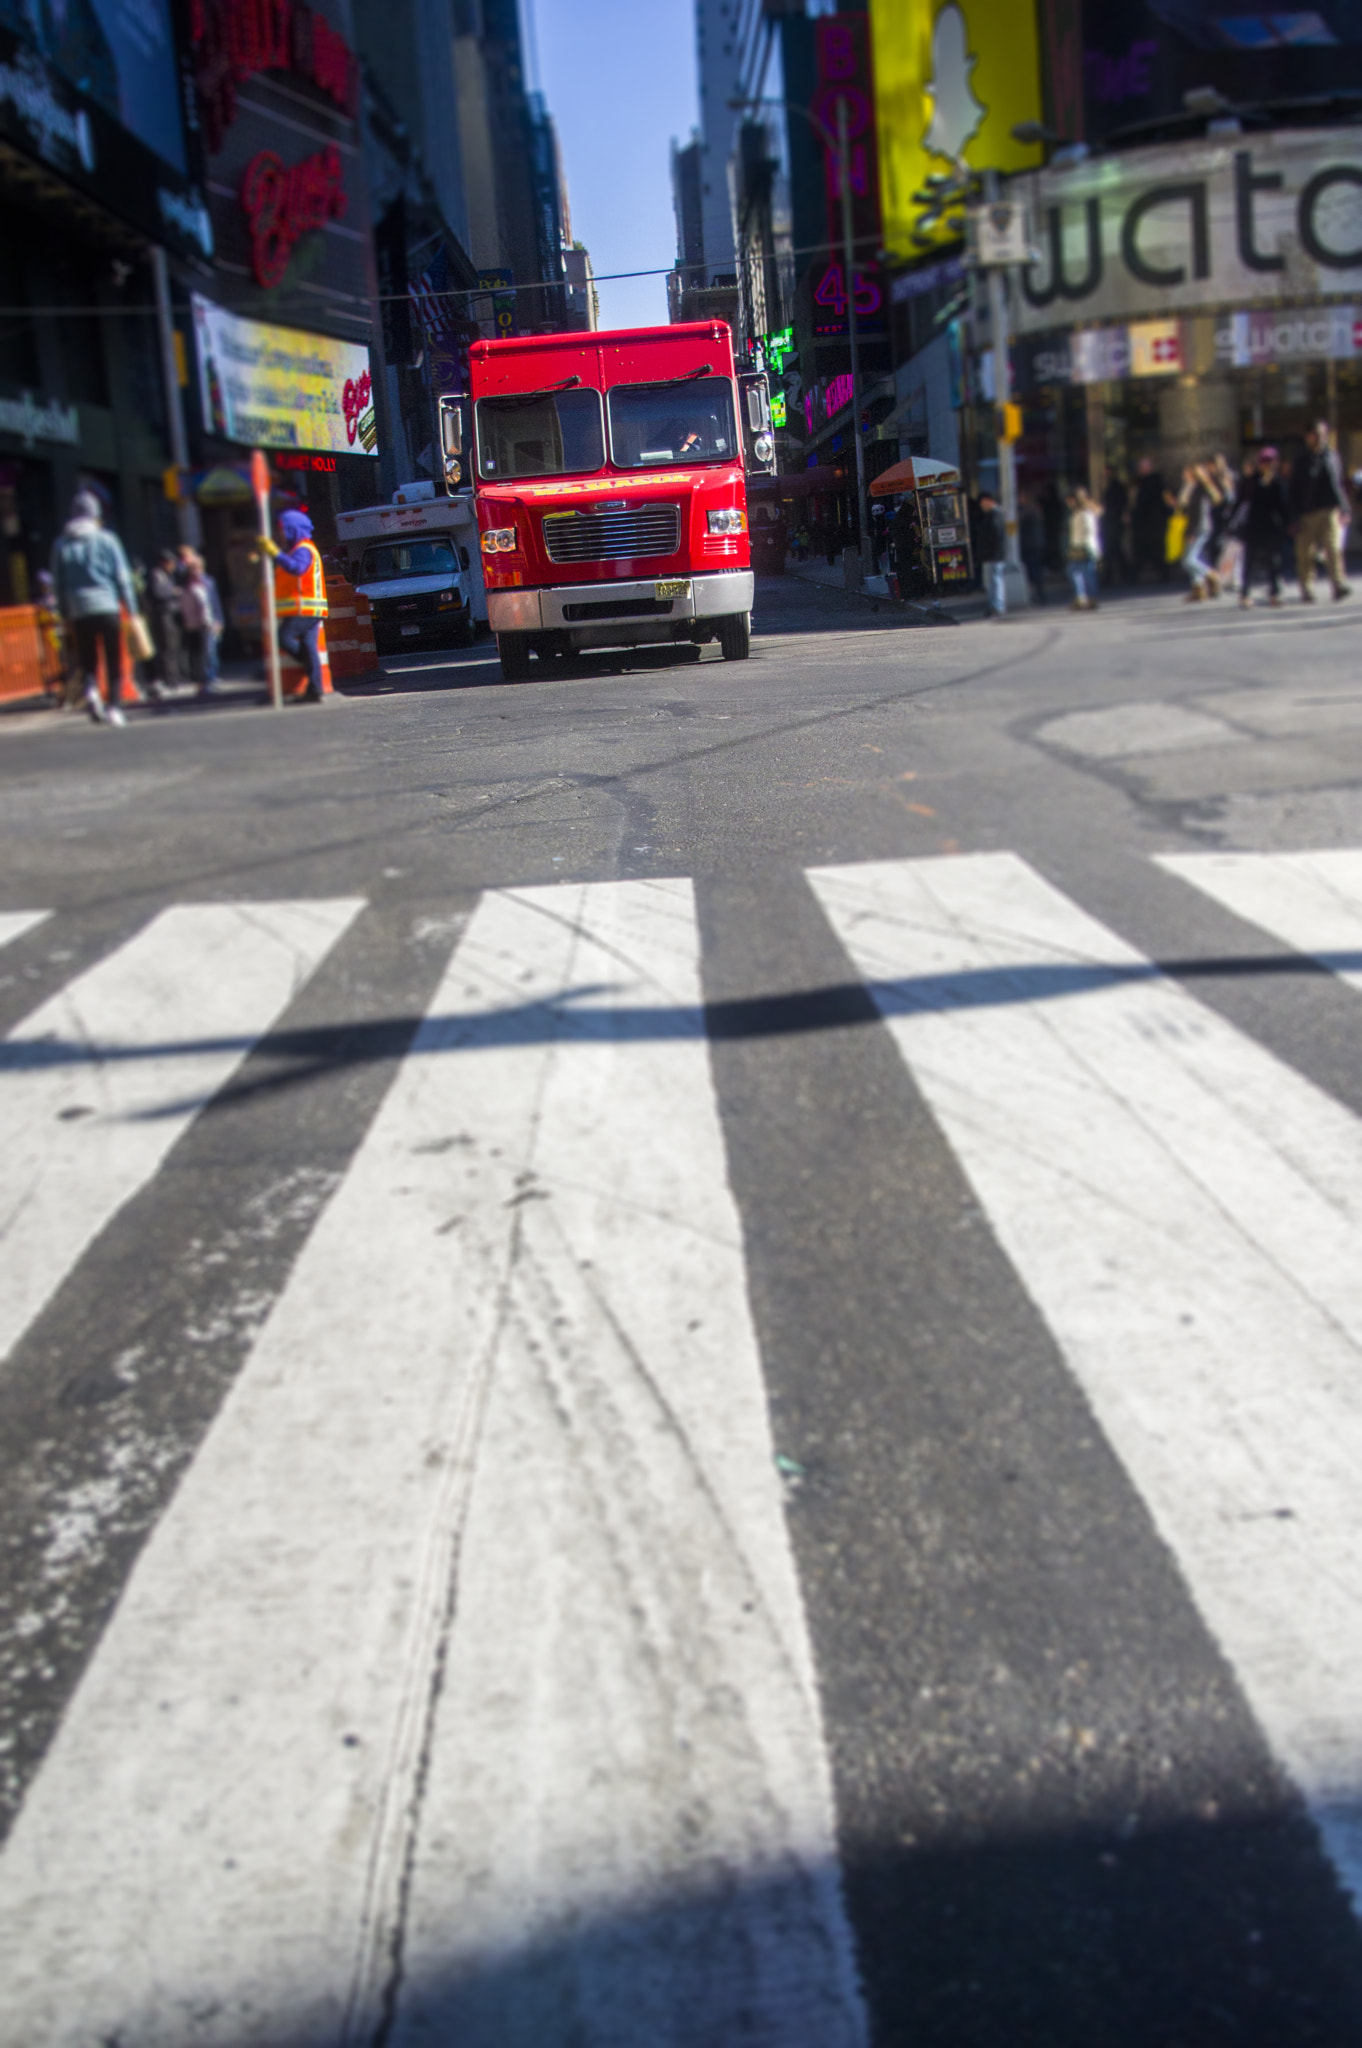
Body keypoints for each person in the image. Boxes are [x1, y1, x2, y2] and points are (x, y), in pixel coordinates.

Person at [49, 490, 140, 727]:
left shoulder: (61, 543)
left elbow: (57, 583)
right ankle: (115, 708)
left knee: (87, 657)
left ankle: (91, 690)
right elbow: (123, 577)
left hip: (78, 609)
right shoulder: (107, 539)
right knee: (113, 658)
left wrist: (63, 612)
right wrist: (132, 608)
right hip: (107, 605)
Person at [259, 509, 329, 701]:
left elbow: (297, 569)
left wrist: (274, 552)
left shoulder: (304, 549)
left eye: (284, 529)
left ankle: (310, 671)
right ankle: (315, 690)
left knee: (284, 637)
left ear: (293, 529)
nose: (281, 533)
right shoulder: (300, 549)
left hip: (306, 609)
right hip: (307, 609)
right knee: (308, 646)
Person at [1288, 420, 1351, 602]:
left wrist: (1344, 508)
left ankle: (1338, 585)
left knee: (1333, 548)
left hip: (1329, 510)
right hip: (1306, 513)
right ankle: (1306, 589)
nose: (1321, 438)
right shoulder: (1300, 459)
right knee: (1306, 553)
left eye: (1323, 434)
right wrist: (1294, 517)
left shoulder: (1331, 455)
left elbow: (1338, 484)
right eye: (1317, 434)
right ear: (1308, 436)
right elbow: (1293, 490)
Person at [1238, 447, 1289, 609]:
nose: (1269, 465)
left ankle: (1274, 593)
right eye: (1266, 462)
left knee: (1273, 561)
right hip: (1253, 527)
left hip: (1272, 528)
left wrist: (1289, 524)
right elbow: (1242, 502)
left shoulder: (1278, 482)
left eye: (1272, 462)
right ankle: (1245, 593)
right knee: (1249, 561)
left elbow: (1282, 505)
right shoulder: (1251, 481)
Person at [178, 549, 225, 696]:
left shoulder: (208, 582)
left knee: (210, 653)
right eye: (192, 568)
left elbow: (214, 602)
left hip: (208, 623)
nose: (195, 571)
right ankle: (203, 681)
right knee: (200, 655)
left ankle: (210, 678)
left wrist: (219, 620)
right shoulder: (187, 584)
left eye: (197, 567)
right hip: (194, 625)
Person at [1131, 457, 1169, 583]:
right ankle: (1137, 574)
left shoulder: (1153, 482)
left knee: (1155, 549)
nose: (1140, 470)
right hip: (1146, 523)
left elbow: (1144, 502)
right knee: (1145, 550)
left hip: (1152, 523)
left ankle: (1163, 573)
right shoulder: (1141, 482)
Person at [1065, 486, 1101, 609]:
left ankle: (1086, 598)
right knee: (1082, 573)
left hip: (1083, 547)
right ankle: (1086, 598)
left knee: (1080, 573)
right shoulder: (1081, 513)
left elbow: (1088, 531)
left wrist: (1082, 545)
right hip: (1081, 546)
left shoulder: (1084, 513)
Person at [1018, 492, 1047, 605]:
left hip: (1032, 544)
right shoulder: (1033, 510)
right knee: (1034, 570)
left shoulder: (1030, 511)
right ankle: (1039, 593)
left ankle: (1039, 594)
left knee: (1034, 570)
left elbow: (1023, 524)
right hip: (1034, 544)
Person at [1101, 470, 1129, 585]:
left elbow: (1120, 503)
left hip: (1114, 520)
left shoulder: (1115, 487)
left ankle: (1113, 575)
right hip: (1112, 520)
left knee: (1113, 548)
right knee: (1114, 549)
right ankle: (1121, 573)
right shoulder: (1111, 487)